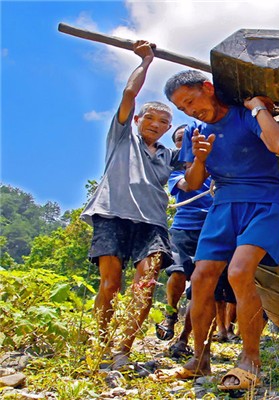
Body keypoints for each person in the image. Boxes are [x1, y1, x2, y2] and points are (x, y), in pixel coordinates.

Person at [160, 69, 279, 390]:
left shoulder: (244, 116)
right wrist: (201, 160)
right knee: (202, 277)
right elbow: (192, 184)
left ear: (208, 88)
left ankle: (250, 360)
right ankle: (200, 358)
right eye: (183, 108)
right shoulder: (195, 130)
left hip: (263, 202)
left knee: (239, 272)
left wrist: (258, 108)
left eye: (191, 101)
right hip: (223, 206)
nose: (190, 111)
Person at [80, 40, 178, 370]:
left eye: (163, 122)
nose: (155, 124)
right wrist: (146, 60)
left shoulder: (168, 155)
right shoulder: (123, 135)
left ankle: (123, 349)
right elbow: (128, 95)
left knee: (145, 285)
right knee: (110, 283)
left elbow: (195, 169)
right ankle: (100, 343)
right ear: (138, 119)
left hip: (152, 223)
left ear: (167, 128)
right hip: (111, 214)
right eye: (150, 118)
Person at [154, 124, 216, 359]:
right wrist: (200, 162)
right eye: (180, 140)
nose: (184, 143)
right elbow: (188, 184)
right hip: (183, 228)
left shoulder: (216, 164)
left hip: (211, 229)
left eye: (188, 138)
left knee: (200, 288)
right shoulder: (175, 170)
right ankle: (171, 314)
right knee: (178, 273)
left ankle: (184, 339)